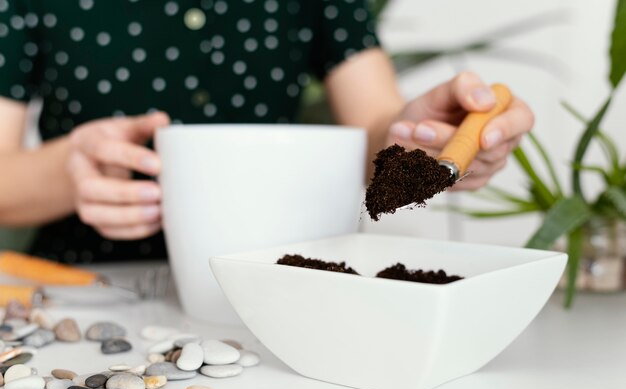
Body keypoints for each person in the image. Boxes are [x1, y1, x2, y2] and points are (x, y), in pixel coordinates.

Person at [0, 0, 533, 263]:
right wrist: (72, 170)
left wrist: (425, 139)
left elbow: (378, 134)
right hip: (85, 291)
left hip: (278, 290)